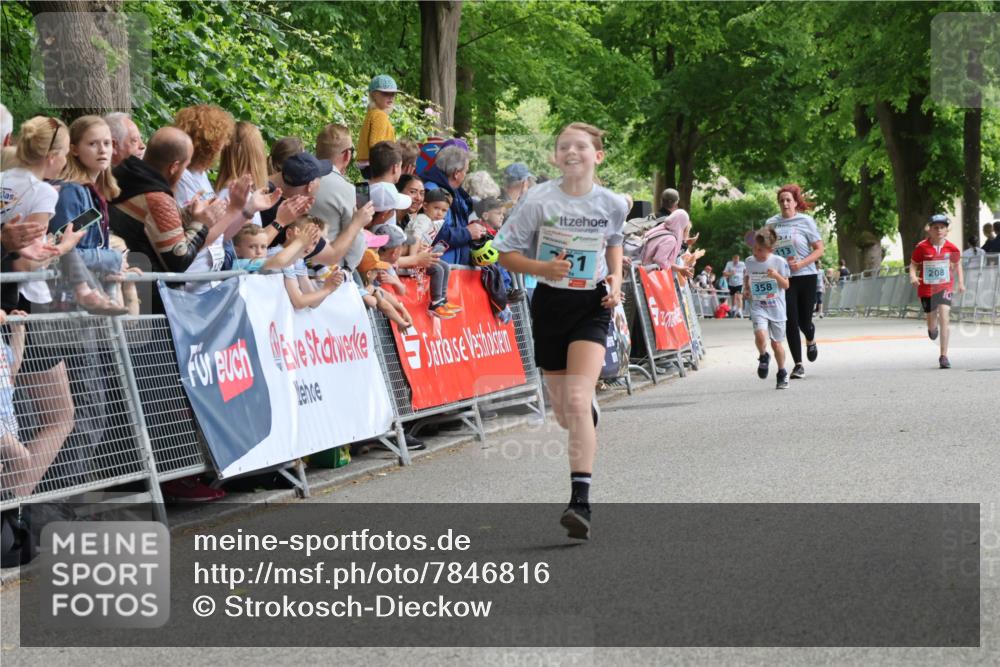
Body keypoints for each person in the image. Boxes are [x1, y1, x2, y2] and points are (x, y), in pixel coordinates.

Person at [495, 122, 628, 541]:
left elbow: (614, 241)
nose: (572, 152)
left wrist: (616, 279)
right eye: (564, 146)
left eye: (581, 146)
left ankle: (580, 503)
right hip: (550, 303)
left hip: (592, 306)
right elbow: (504, 253)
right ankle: (585, 413)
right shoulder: (537, 200)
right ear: (555, 157)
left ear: (597, 156)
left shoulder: (612, 203)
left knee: (577, 397)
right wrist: (543, 268)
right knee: (565, 414)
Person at [765, 184, 824, 379]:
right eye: (781, 200)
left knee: (805, 322)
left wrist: (801, 263)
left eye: (788, 200)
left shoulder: (806, 221)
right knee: (790, 320)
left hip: (806, 275)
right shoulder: (771, 223)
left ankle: (810, 337)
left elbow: (819, 249)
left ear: (795, 202)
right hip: (785, 278)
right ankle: (798, 365)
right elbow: (765, 249)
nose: (785, 203)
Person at [312, 123, 376, 271]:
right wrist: (349, 268)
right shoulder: (346, 189)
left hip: (295, 265)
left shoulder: (298, 179)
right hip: (331, 270)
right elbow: (355, 242)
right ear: (347, 154)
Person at [909, 214, 964, 369]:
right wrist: (913, 276)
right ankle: (931, 329)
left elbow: (957, 264)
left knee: (945, 317)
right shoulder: (921, 247)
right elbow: (913, 264)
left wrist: (961, 282)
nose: (939, 230)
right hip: (927, 289)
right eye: (936, 227)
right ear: (930, 230)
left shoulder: (952, 248)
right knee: (932, 323)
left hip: (944, 286)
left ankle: (944, 356)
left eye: (942, 227)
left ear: (946, 230)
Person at [742, 227, 792, 389]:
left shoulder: (779, 262)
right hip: (758, 306)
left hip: (777, 308)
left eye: (760, 250)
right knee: (760, 336)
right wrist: (746, 289)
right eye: (754, 248)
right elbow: (747, 276)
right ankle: (763, 356)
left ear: (770, 250)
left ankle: (782, 372)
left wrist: (776, 275)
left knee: (776, 344)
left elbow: (786, 285)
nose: (755, 252)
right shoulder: (750, 261)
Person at [423, 145, 486, 266]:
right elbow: (431, 233)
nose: (465, 175)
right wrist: (467, 233)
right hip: (437, 268)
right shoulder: (432, 191)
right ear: (456, 173)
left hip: (454, 270)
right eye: (465, 171)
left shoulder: (457, 194)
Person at [268, 215, 345, 310]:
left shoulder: (299, 261)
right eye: (307, 239)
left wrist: (329, 285)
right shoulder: (280, 255)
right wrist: (327, 289)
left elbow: (313, 304)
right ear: (289, 234)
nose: (310, 247)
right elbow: (299, 302)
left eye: (314, 243)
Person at [406, 189, 461, 319]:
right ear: (425, 206)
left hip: (419, 255)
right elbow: (415, 237)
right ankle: (436, 303)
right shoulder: (423, 219)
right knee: (437, 269)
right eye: (436, 208)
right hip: (410, 257)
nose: (439, 213)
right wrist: (413, 259)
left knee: (445, 266)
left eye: (444, 210)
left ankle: (443, 300)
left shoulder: (431, 221)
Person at [357, 75, 399, 178]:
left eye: (393, 94)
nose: (390, 97)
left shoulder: (372, 113)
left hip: (368, 164)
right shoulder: (380, 115)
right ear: (374, 95)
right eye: (385, 93)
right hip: (377, 165)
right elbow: (376, 146)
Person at [723, 253, 746, 317]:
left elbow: (746, 272)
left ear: (739, 259)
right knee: (733, 297)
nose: (736, 262)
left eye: (737, 261)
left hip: (740, 283)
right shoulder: (729, 263)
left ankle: (739, 311)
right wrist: (730, 273)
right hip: (732, 283)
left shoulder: (742, 264)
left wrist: (745, 280)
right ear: (732, 259)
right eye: (735, 261)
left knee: (739, 297)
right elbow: (724, 273)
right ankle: (733, 310)